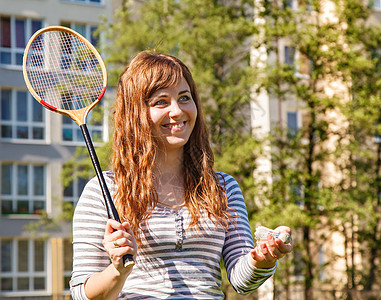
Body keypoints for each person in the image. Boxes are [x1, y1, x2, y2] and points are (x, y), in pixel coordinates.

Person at [70, 51, 293, 300]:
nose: (177, 111)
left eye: (184, 98)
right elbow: (82, 293)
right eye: (161, 102)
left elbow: (242, 281)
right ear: (134, 114)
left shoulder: (223, 187)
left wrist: (262, 259)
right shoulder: (104, 191)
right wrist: (117, 271)